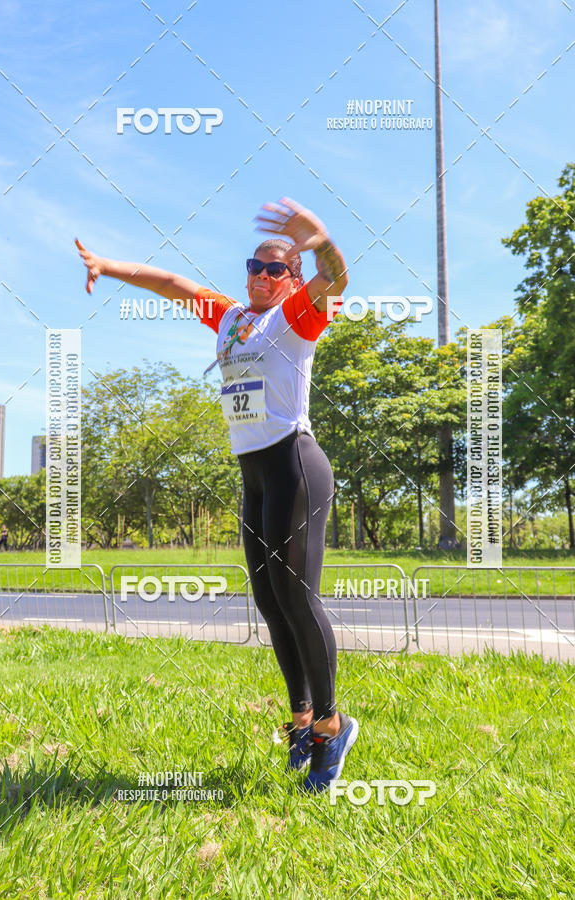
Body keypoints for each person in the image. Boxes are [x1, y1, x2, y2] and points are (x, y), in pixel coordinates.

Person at [75, 197, 358, 793]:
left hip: (294, 465)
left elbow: (338, 277)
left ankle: (334, 726)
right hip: (252, 473)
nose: (261, 273)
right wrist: (107, 262)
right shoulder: (232, 319)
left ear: (293, 280)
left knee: (298, 596)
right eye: (254, 263)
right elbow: (172, 283)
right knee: (269, 600)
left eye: (276, 267)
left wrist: (323, 239)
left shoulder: (297, 319)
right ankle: (303, 717)